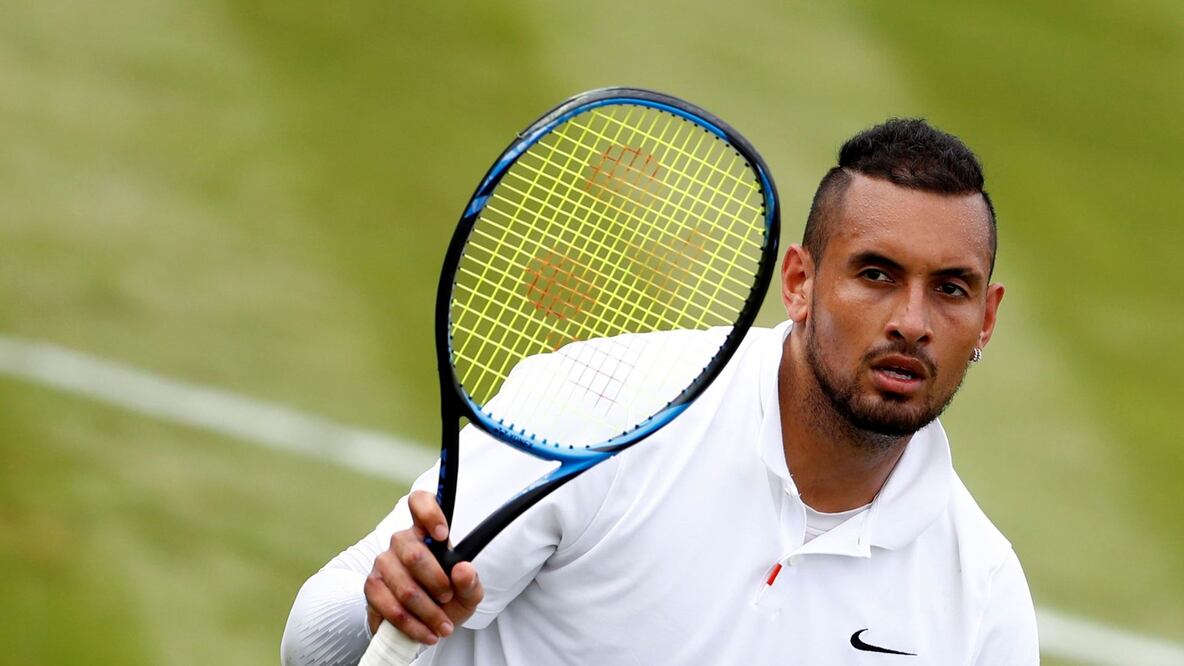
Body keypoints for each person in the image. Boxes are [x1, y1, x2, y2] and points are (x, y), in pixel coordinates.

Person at [281, 118, 1040, 665]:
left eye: (950, 289)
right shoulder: (597, 410)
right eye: (876, 274)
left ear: (986, 319)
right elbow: (310, 645)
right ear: (801, 283)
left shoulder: (982, 597)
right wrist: (380, 607)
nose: (912, 322)